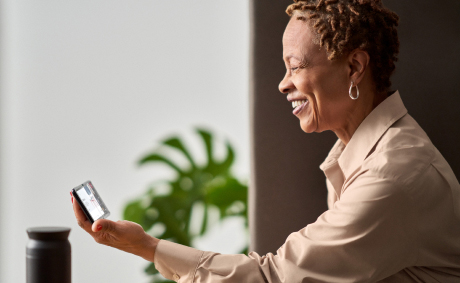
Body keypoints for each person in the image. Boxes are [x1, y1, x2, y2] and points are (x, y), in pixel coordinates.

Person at [72, 0, 460, 282]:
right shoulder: (366, 155)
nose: (283, 82)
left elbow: (276, 278)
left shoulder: (393, 175)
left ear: (355, 67)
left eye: (296, 66)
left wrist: (148, 247)